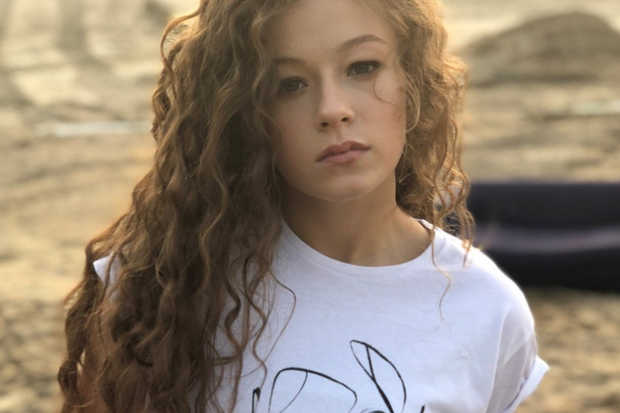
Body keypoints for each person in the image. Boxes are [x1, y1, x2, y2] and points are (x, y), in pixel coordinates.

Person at [57, 0, 549, 412]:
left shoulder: (486, 307)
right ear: (244, 114)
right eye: (289, 84)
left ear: (412, 81)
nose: (333, 109)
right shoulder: (160, 285)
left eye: (362, 67)